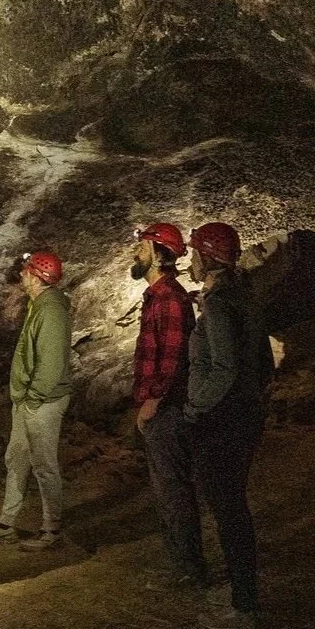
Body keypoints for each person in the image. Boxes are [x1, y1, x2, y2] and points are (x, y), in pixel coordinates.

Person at [182, 222, 274, 629]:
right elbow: (263, 364)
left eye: (194, 253)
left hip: (222, 417)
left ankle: (243, 606)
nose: (190, 260)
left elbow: (224, 368)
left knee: (228, 509)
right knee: (232, 505)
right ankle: (242, 594)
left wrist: (195, 406)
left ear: (207, 257)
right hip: (244, 413)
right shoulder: (245, 297)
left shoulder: (220, 304)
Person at [0, 249, 73, 551]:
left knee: (44, 465)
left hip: (43, 401)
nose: (21, 274)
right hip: (29, 399)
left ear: (36, 276)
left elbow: (51, 362)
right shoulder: (38, 304)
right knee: (16, 458)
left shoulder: (51, 310)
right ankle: (7, 524)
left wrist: (33, 399)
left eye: (26, 270)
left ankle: (51, 529)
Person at [127, 223, 202, 593]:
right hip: (161, 408)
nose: (135, 253)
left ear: (159, 254)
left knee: (173, 491)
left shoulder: (169, 298)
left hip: (168, 411)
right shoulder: (157, 296)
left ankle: (187, 569)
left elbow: (172, 359)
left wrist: (152, 402)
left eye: (142, 247)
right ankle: (180, 565)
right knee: (166, 490)